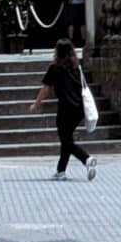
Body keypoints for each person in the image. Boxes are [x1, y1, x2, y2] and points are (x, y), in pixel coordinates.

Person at [29, 37, 96, 180]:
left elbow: (46, 89)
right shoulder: (76, 67)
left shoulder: (55, 68)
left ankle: (86, 159)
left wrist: (36, 104)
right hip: (79, 108)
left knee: (66, 140)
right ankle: (61, 171)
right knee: (67, 138)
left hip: (66, 108)